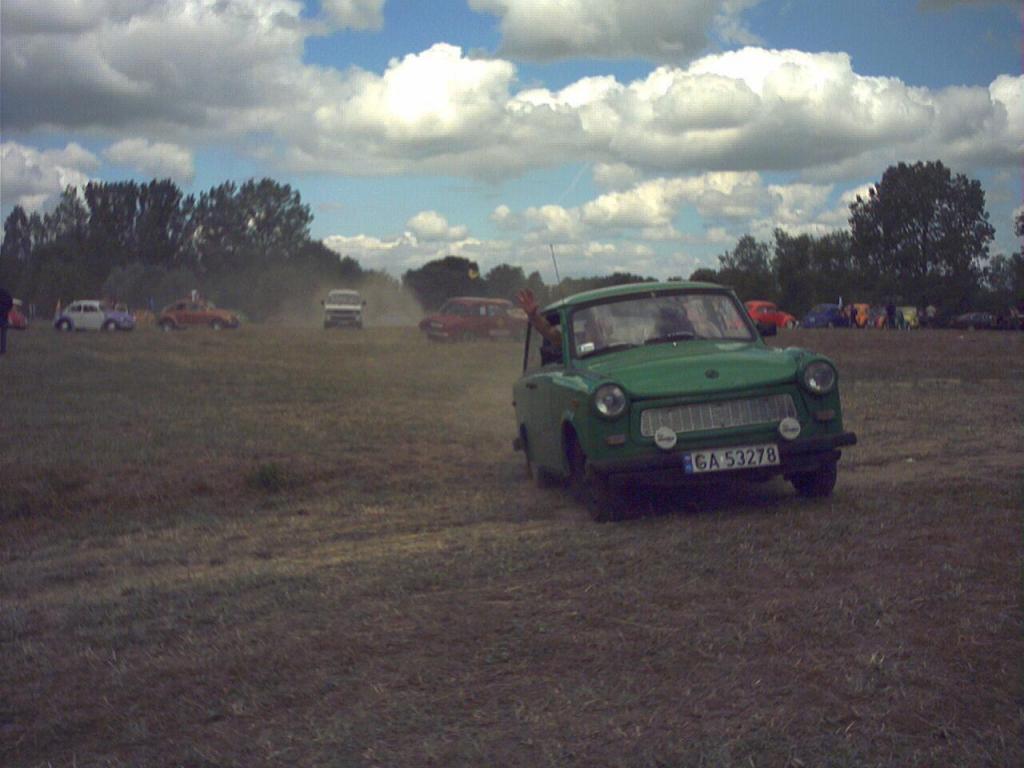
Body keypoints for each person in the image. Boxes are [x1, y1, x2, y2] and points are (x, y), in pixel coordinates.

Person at [0, 287, 12, 355]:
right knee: (3, 334)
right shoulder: (5, 293)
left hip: (2, 315)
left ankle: (3, 350)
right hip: (4, 316)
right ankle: (3, 350)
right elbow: (10, 303)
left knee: (3, 333)